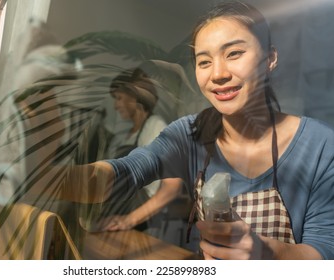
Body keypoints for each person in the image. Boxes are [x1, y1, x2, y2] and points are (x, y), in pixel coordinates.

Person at [62, 1, 334, 259]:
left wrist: (266, 254)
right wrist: (49, 178)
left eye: (234, 53)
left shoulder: (320, 145)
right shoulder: (189, 134)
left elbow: (325, 252)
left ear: (270, 58)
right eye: (204, 62)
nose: (218, 74)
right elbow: (129, 170)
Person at [99, 67, 183, 236]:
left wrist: (129, 220)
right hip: (116, 218)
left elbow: (173, 187)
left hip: (142, 224)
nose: (116, 105)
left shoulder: (156, 128)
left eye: (119, 98)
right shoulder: (125, 136)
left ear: (135, 96)